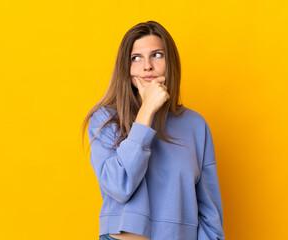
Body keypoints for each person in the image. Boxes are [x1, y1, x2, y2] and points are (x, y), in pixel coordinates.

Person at [81, 20, 225, 240]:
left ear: (170, 62)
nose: (146, 66)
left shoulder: (195, 124)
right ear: (125, 68)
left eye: (157, 55)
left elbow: (209, 210)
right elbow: (119, 186)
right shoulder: (104, 120)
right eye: (135, 58)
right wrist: (146, 112)